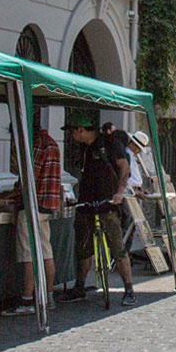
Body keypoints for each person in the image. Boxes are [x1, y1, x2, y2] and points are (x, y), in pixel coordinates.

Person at [61, 115, 137, 306]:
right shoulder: (83, 149)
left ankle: (129, 289)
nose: (71, 135)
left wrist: (120, 192)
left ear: (81, 130)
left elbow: (124, 166)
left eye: (72, 131)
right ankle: (79, 287)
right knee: (83, 248)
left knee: (117, 247)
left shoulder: (109, 144)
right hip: (86, 203)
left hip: (108, 202)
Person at [4, 122, 61, 316]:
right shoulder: (52, 143)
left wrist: (13, 193)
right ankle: (48, 296)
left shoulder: (38, 144)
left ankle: (27, 300)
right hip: (48, 204)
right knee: (46, 251)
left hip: (34, 204)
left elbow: (30, 176)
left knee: (28, 253)